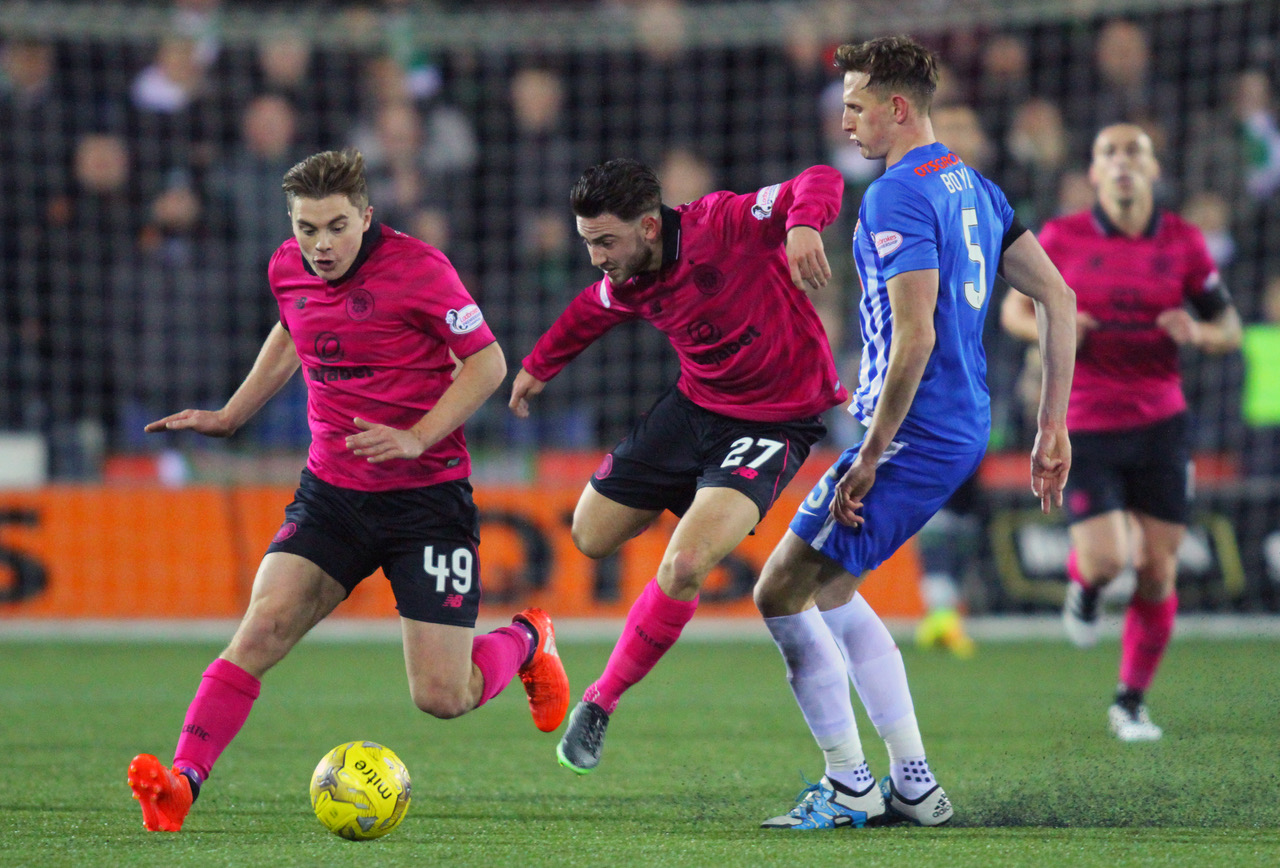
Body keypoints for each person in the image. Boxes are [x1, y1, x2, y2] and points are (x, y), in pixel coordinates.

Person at [126, 148, 569, 832]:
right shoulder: (286, 267)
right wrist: (232, 415)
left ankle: (528, 639)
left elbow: (487, 362)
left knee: (444, 697)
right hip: (331, 495)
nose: (320, 245)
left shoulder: (420, 269)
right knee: (262, 627)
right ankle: (182, 783)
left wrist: (418, 436)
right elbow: (289, 330)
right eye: (306, 228)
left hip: (426, 499)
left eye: (335, 226)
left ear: (366, 216)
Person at [753, 36, 1076, 830]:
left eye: (856, 107)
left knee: (780, 590)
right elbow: (1060, 298)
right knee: (827, 586)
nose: (846, 123)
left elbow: (915, 336)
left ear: (899, 109)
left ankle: (851, 783)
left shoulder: (896, 196)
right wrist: (1051, 426)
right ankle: (914, 786)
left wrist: (866, 455)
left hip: (914, 430)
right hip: (960, 422)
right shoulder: (975, 185)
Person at [508, 157, 848, 774]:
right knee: (589, 535)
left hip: (773, 421)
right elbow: (592, 307)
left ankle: (599, 702)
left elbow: (818, 177)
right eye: (588, 243)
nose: (596, 257)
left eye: (605, 242)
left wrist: (804, 226)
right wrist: (537, 366)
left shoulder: (723, 223)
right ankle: (696, 504)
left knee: (686, 562)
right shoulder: (630, 278)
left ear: (648, 226)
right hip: (692, 410)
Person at [1001, 123, 1242, 742]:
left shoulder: (1184, 242)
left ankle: (1130, 702)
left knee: (1157, 569)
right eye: (1110, 151)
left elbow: (1229, 327)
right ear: (1094, 173)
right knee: (1108, 561)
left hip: (1162, 423)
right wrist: (1056, 327)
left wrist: (1199, 333)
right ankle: (1085, 590)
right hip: (1086, 422)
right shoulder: (1061, 236)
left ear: (1155, 170)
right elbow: (1011, 311)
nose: (1124, 162)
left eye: (1135, 151)